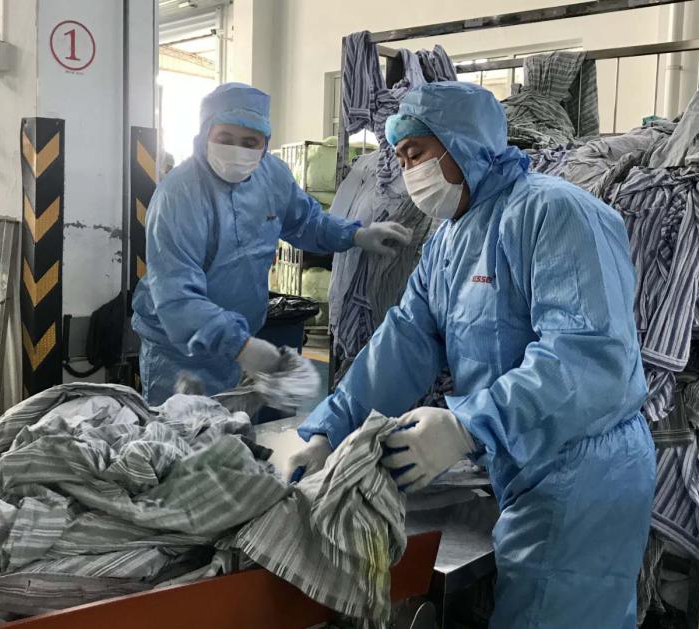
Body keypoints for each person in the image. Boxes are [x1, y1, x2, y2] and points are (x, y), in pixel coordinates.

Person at [291, 82, 656, 629]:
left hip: (584, 471)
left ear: (461, 143)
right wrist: (330, 429)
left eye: (416, 153)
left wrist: (467, 425)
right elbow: (406, 337)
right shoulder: (448, 239)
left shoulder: (556, 212)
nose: (408, 171)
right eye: (400, 158)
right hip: (522, 460)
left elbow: (586, 358)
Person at [132, 82, 411, 404]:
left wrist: (357, 234)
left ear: (265, 143)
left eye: (250, 142)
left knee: (226, 429)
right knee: (178, 429)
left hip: (237, 341)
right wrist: (242, 346)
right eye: (225, 138)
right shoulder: (179, 195)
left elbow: (306, 222)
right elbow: (176, 296)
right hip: (178, 351)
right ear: (205, 134)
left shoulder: (272, 176)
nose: (237, 149)